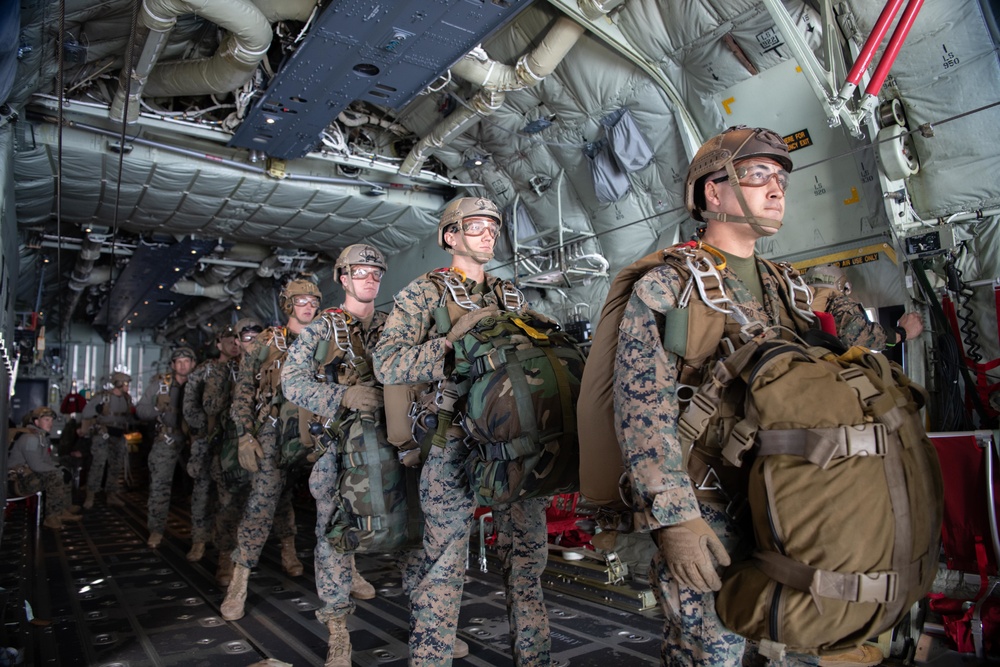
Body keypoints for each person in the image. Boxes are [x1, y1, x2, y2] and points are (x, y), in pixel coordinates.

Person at [612, 125, 922, 667]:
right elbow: (643, 413)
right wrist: (675, 520)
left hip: (790, 500)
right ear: (714, 192)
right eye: (758, 176)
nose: (777, 189)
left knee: (786, 644)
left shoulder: (794, 287)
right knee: (710, 654)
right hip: (709, 509)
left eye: (780, 179)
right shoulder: (667, 286)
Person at [373, 197, 550, 666]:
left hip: (513, 438)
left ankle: (535, 656)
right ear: (450, 236)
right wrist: (449, 346)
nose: (488, 233)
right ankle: (431, 657)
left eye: (493, 226)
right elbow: (387, 362)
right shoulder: (424, 292)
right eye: (475, 226)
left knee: (528, 560)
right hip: (453, 439)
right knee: (444, 564)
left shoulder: (510, 294)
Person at [281, 244, 390, 667]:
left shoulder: (393, 324)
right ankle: (338, 633)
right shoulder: (323, 328)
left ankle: (431, 627)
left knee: (414, 534)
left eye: (376, 273)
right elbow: (292, 382)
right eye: (360, 272)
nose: (369, 279)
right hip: (340, 448)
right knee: (334, 537)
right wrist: (342, 395)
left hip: (392, 442)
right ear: (342, 278)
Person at [220, 278, 321, 621]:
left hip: (317, 433)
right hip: (274, 433)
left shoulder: (328, 339)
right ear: (288, 304)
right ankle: (239, 582)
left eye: (313, 300)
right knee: (261, 505)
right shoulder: (268, 342)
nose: (308, 306)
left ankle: (347, 569)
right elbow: (244, 393)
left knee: (338, 503)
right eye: (300, 300)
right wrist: (244, 436)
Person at [210, 316, 264, 586]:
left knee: (266, 506)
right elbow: (211, 409)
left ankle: (283, 552)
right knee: (229, 506)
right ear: (236, 342)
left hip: (263, 444)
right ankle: (224, 559)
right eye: (246, 338)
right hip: (232, 446)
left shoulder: (269, 366)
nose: (251, 342)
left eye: (257, 337)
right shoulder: (225, 371)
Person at [182, 325, 242, 562]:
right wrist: (205, 430)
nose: (235, 344)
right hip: (206, 441)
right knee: (202, 493)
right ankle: (199, 540)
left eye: (238, 339)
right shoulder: (204, 371)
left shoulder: (244, 369)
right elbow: (189, 405)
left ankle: (227, 547)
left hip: (231, 443)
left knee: (229, 497)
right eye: (229, 340)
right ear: (219, 343)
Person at [136, 346, 197, 549]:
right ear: (172, 365)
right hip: (168, 439)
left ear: (193, 364)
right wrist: (157, 408)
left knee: (203, 488)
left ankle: (202, 535)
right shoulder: (161, 385)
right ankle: (156, 530)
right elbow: (141, 410)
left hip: (195, 441)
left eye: (186, 361)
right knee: (160, 487)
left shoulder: (201, 384)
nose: (182, 365)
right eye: (178, 361)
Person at [8, 406, 82, 530]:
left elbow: (47, 462)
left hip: (27, 477)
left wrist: (61, 468)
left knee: (63, 470)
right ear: (36, 422)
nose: (51, 423)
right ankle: (51, 518)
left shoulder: (41, 437)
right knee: (56, 476)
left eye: (51, 420)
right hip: (16, 482)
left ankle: (63, 508)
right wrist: (59, 471)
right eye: (46, 420)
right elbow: (37, 465)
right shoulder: (30, 439)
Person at [79, 371, 133, 509]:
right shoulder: (103, 397)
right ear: (119, 384)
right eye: (126, 384)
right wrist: (98, 409)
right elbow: (86, 413)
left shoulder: (127, 399)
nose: (128, 387)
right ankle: (90, 495)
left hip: (119, 435)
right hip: (103, 434)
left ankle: (111, 494)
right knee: (98, 464)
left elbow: (128, 417)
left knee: (116, 466)